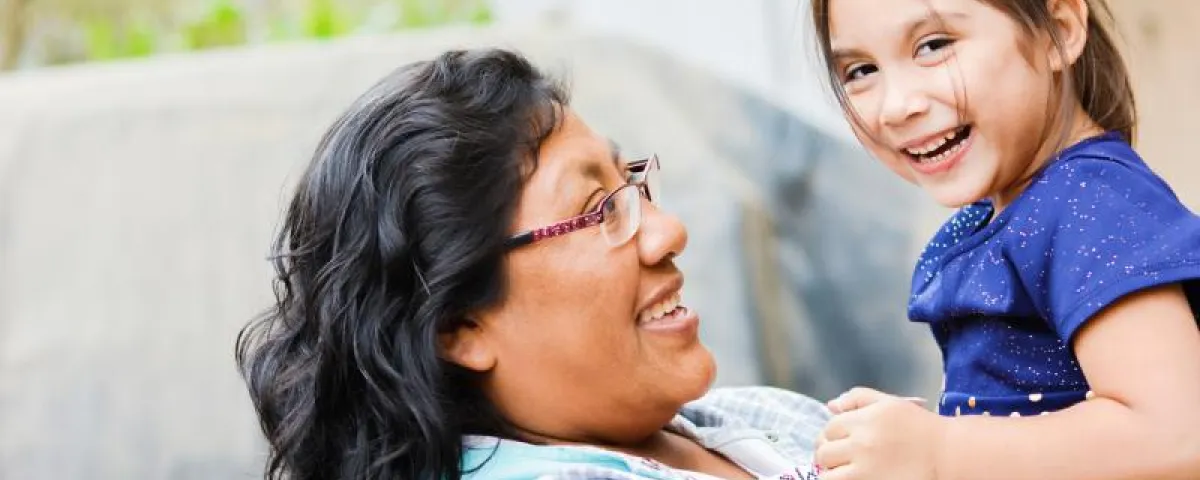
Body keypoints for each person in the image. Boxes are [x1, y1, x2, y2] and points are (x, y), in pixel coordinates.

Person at [234, 48, 828, 480]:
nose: (668, 232)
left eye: (632, 185)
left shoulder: (747, 416)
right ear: (459, 326)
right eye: (599, 211)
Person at [806, 0, 1200, 478]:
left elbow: (1177, 433)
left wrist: (938, 450)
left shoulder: (1090, 201)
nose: (895, 106)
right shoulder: (1017, 212)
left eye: (934, 45)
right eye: (860, 70)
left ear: (1060, 28)